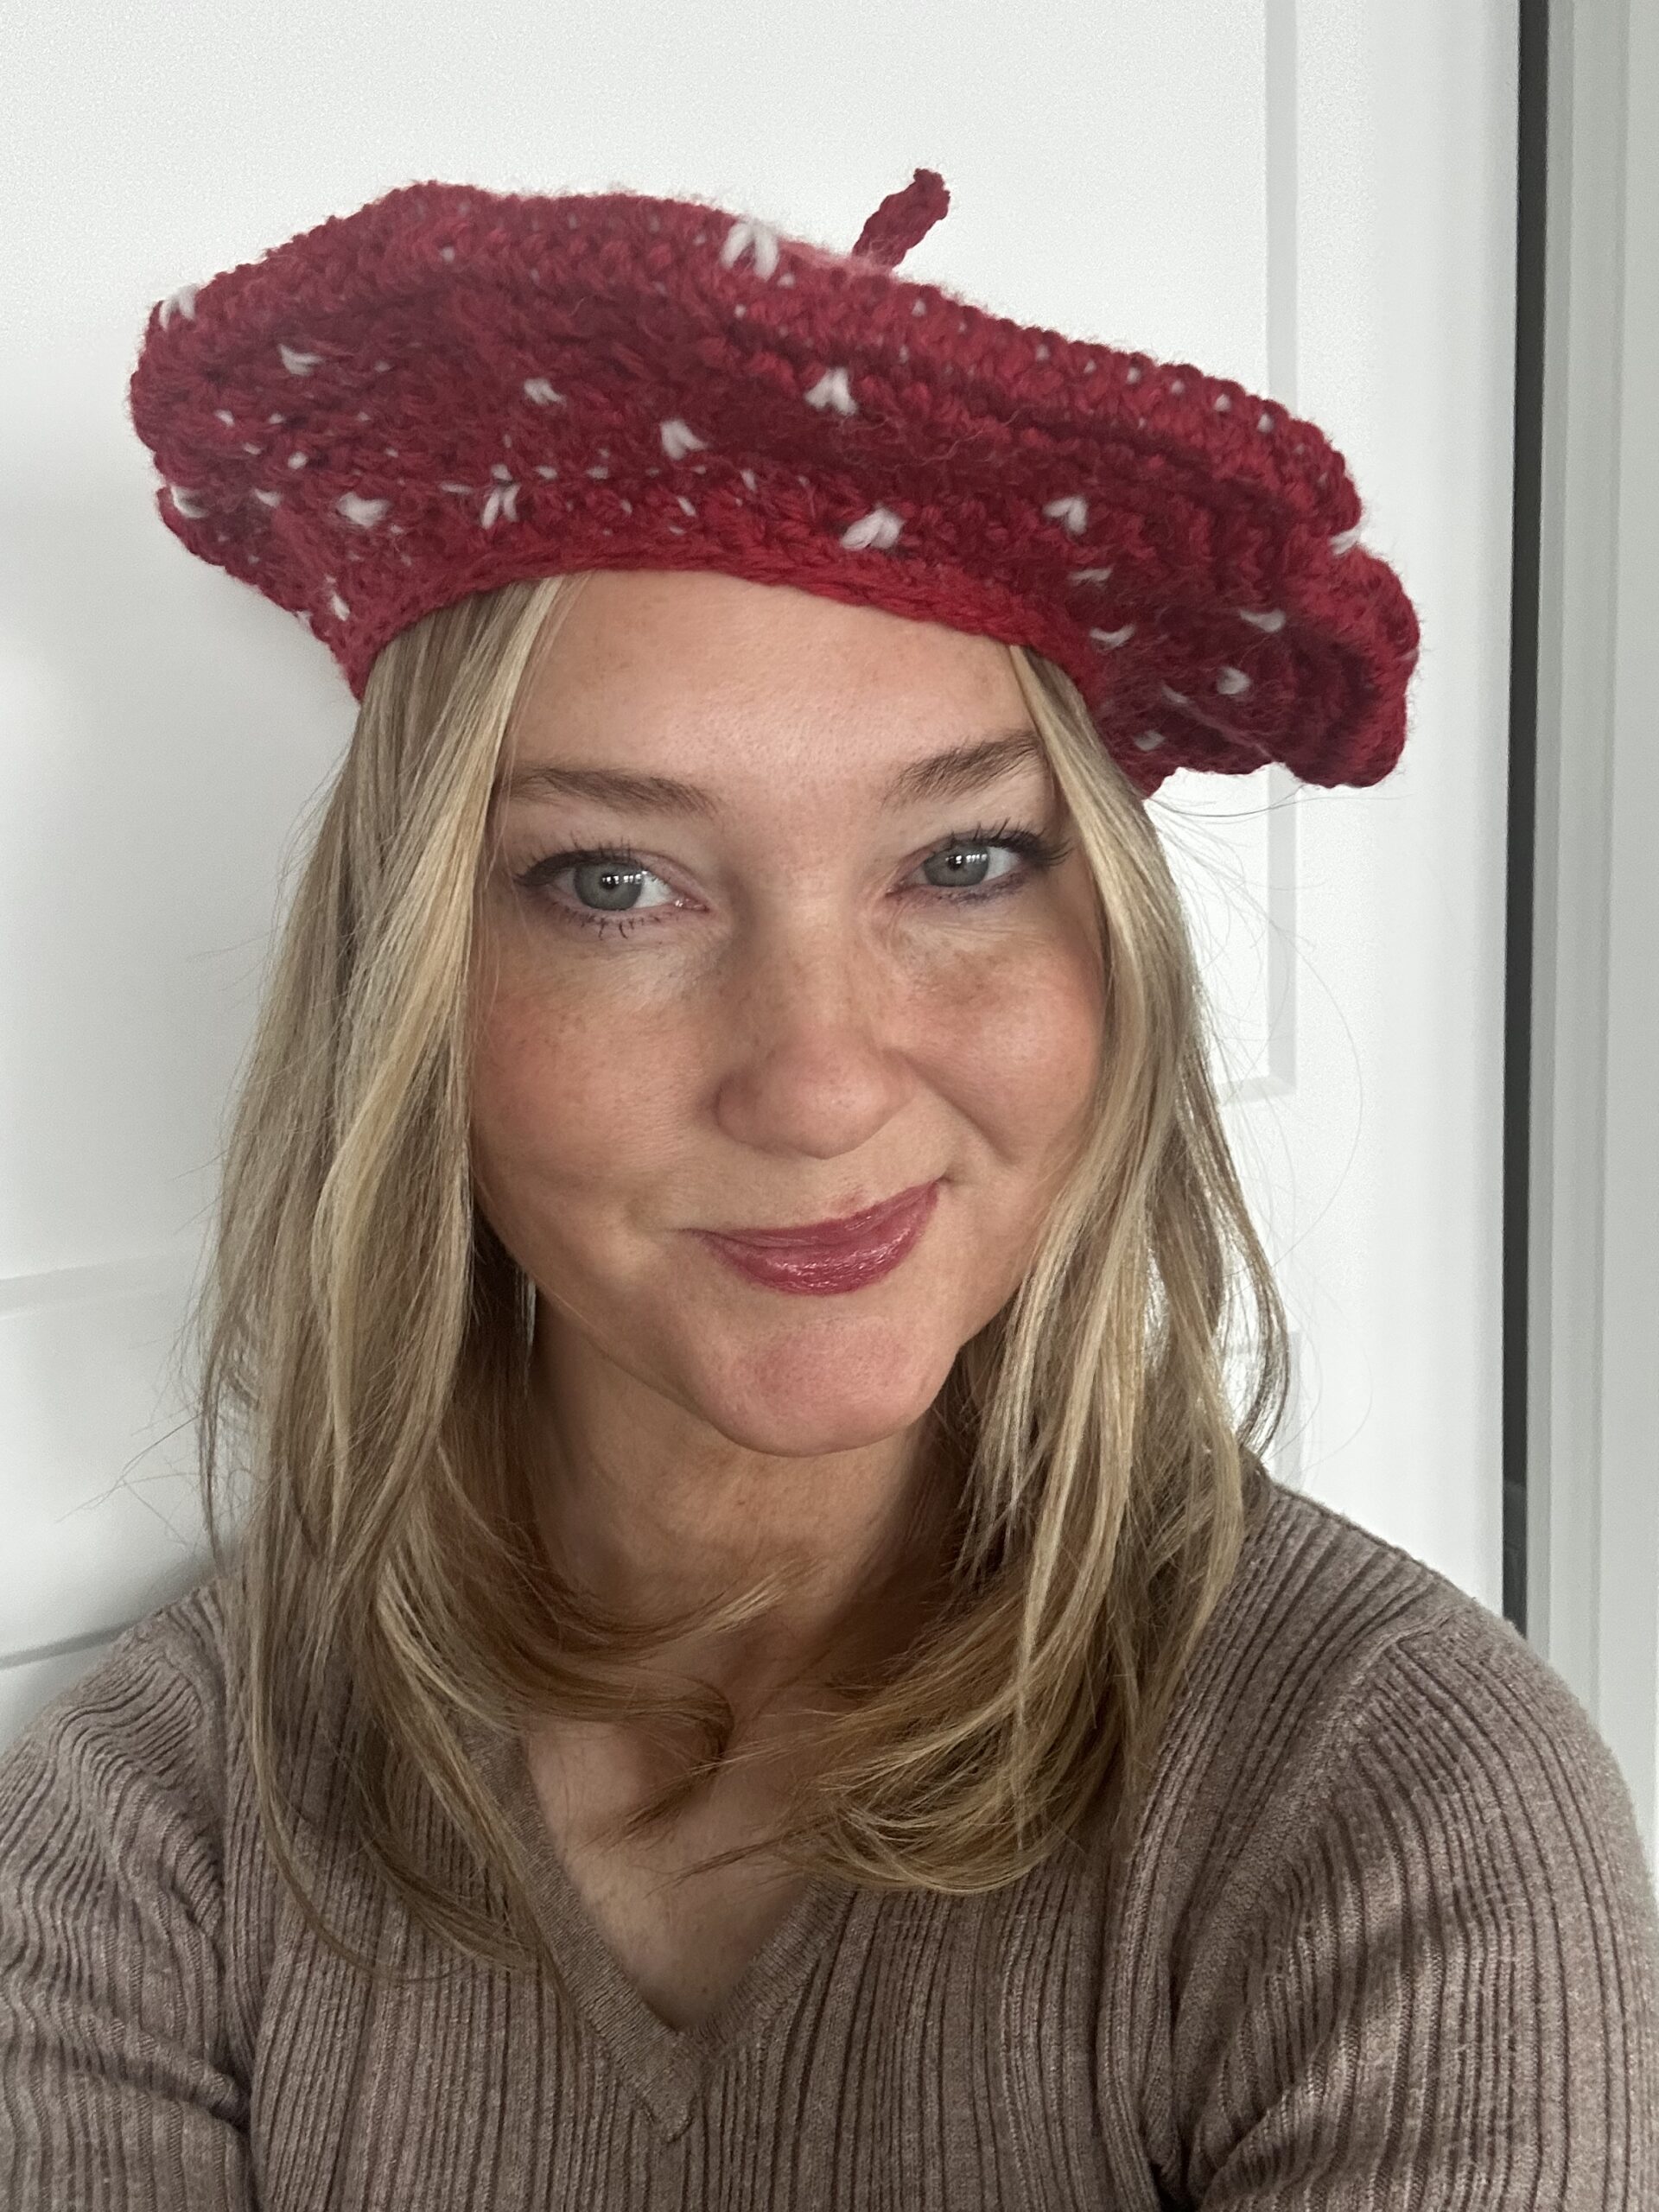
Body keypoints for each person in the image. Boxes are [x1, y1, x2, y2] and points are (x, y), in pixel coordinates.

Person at [2, 170, 1655, 2209]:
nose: (816, 1079)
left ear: (1111, 948)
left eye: (965, 860)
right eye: (614, 881)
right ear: (412, 980)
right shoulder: (163, 1829)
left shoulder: (1385, 1805)